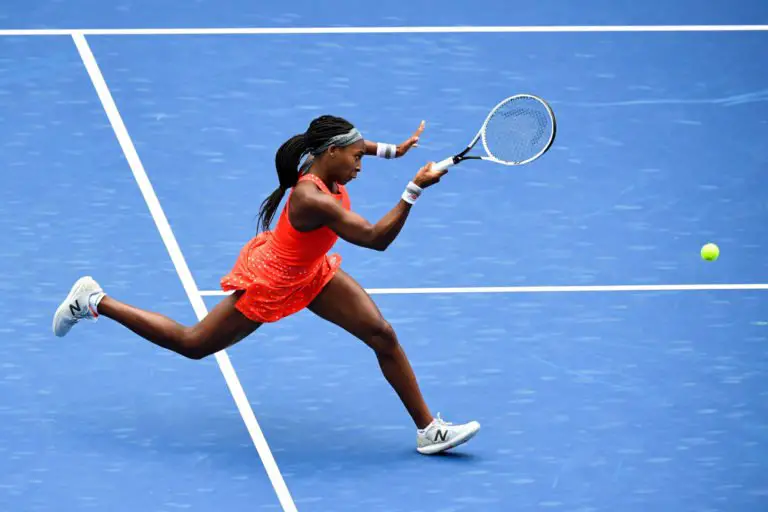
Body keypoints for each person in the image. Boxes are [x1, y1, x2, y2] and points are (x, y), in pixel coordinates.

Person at [52, 114, 480, 455]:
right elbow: (374, 239)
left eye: (362, 157)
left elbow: (359, 143)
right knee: (192, 343)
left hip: (312, 273)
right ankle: (94, 300)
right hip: (273, 282)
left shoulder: (326, 158)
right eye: (356, 158)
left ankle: (428, 430)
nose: (360, 165)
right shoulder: (310, 197)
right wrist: (413, 188)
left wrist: (392, 150)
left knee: (382, 335)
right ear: (331, 153)